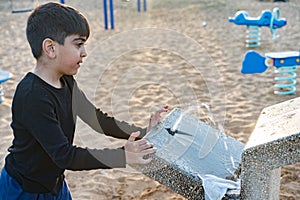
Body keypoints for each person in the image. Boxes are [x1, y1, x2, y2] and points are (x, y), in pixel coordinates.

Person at [0, 2, 168, 199]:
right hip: (23, 189)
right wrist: (123, 156)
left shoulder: (66, 82)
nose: (84, 52)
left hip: (54, 185)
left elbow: (97, 120)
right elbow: (65, 155)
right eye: (78, 44)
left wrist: (144, 132)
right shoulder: (32, 96)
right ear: (51, 48)